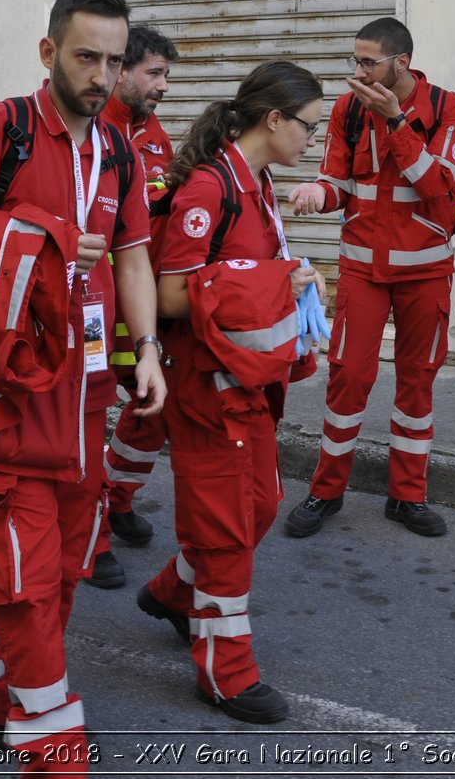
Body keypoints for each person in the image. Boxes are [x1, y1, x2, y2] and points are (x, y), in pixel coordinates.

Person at [0, 0, 167, 771]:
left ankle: (3, 698)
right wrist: (52, 237)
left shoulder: (119, 148)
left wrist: (148, 347)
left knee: (61, 567)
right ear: (49, 52)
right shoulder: (2, 127)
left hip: (86, 389)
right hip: (5, 387)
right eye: (87, 56)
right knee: (22, 570)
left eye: (114, 60)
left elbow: (133, 255)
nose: (102, 74)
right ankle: (53, 743)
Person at [135, 60, 324, 724]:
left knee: (260, 504)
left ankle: (170, 593)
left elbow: (236, 273)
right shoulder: (209, 190)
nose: (313, 140)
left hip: (244, 382)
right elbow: (168, 293)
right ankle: (225, 673)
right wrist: (275, 283)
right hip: (205, 386)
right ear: (273, 120)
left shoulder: (258, 181)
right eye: (308, 126)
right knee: (224, 529)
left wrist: (285, 277)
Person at [284, 16, 455, 539]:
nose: (357, 72)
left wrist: (395, 123)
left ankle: (407, 497)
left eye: (368, 62)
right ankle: (326, 491)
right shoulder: (347, 109)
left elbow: (437, 186)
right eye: (355, 61)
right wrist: (318, 195)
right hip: (363, 268)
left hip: (426, 273)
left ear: (400, 64)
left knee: (417, 383)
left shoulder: (447, 109)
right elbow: (337, 181)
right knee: (348, 377)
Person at [86, 25, 177, 590]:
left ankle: (115, 499)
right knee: (86, 419)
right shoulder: (93, 131)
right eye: (154, 73)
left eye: (167, 75)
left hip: (144, 304)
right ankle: (89, 538)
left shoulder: (153, 132)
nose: (163, 86)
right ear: (120, 72)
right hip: (97, 304)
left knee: (153, 408)